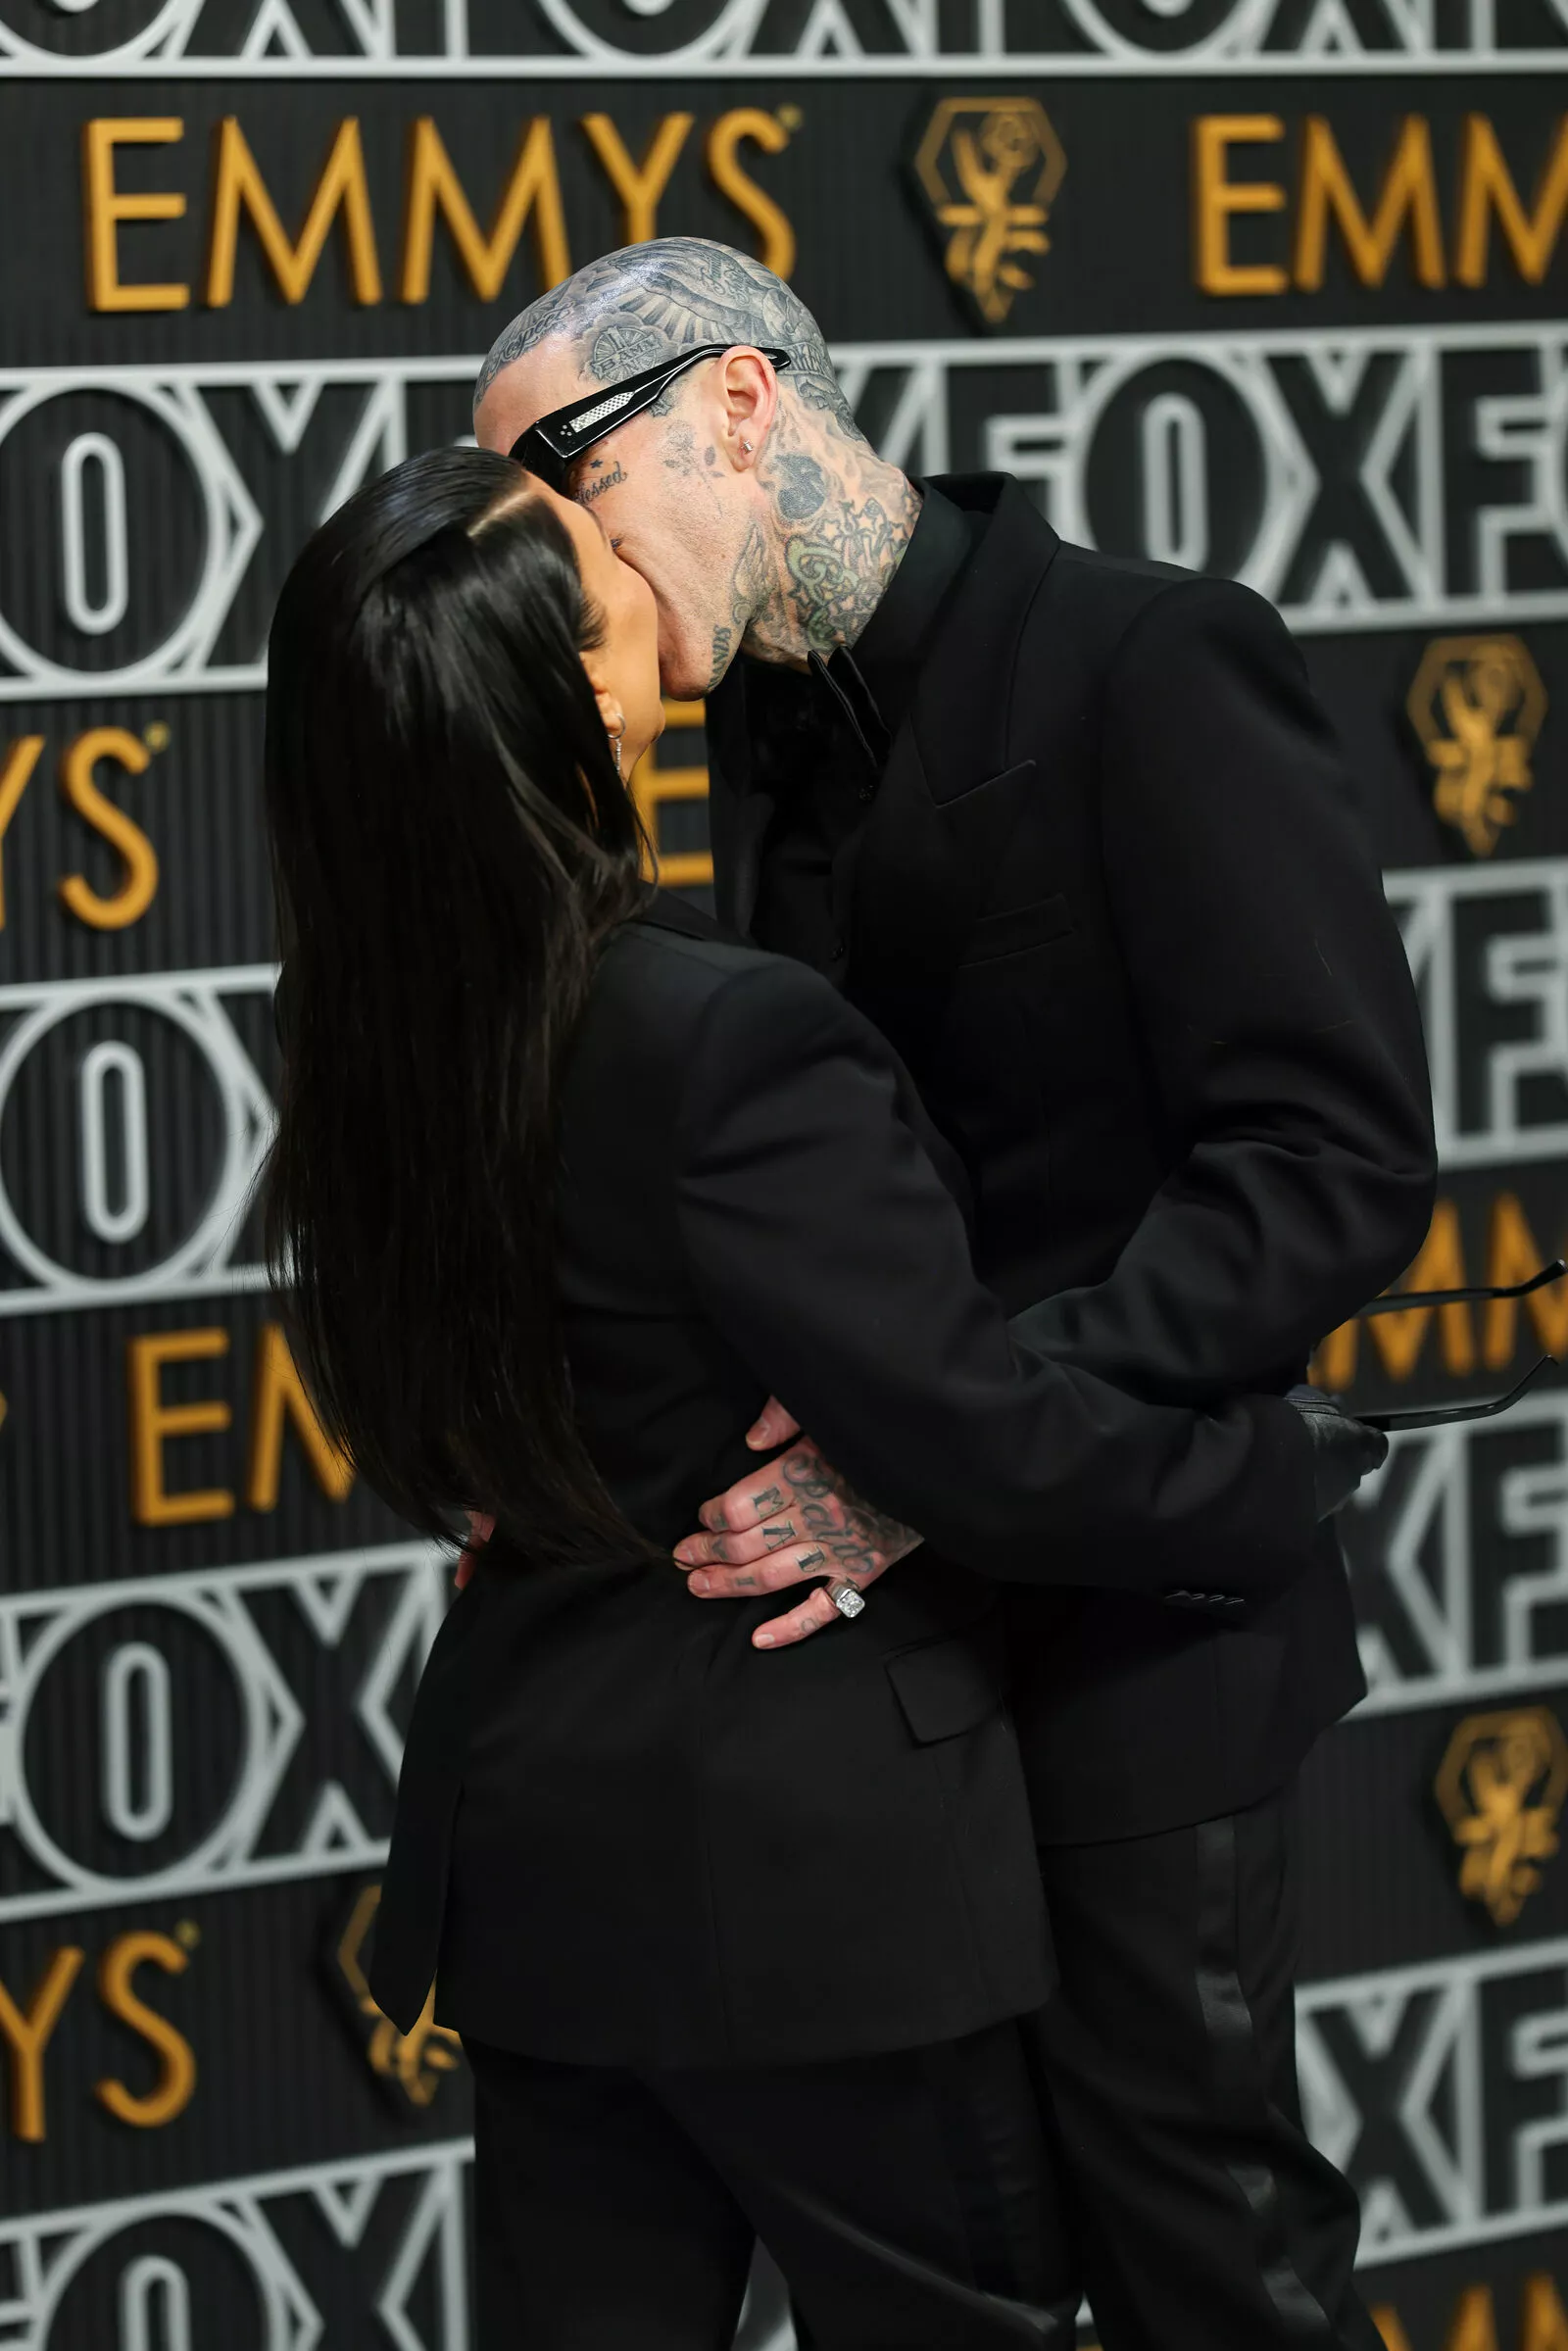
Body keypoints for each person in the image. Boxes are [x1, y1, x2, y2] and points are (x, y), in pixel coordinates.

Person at [263, 447, 1382, 2350]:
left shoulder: (363, 1020)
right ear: (586, 688)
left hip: (533, 1859)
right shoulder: (720, 1033)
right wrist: (1272, 1466)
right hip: (813, 1881)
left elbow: (446, 1418)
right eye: (594, 555)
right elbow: (984, 1441)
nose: (633, 552)